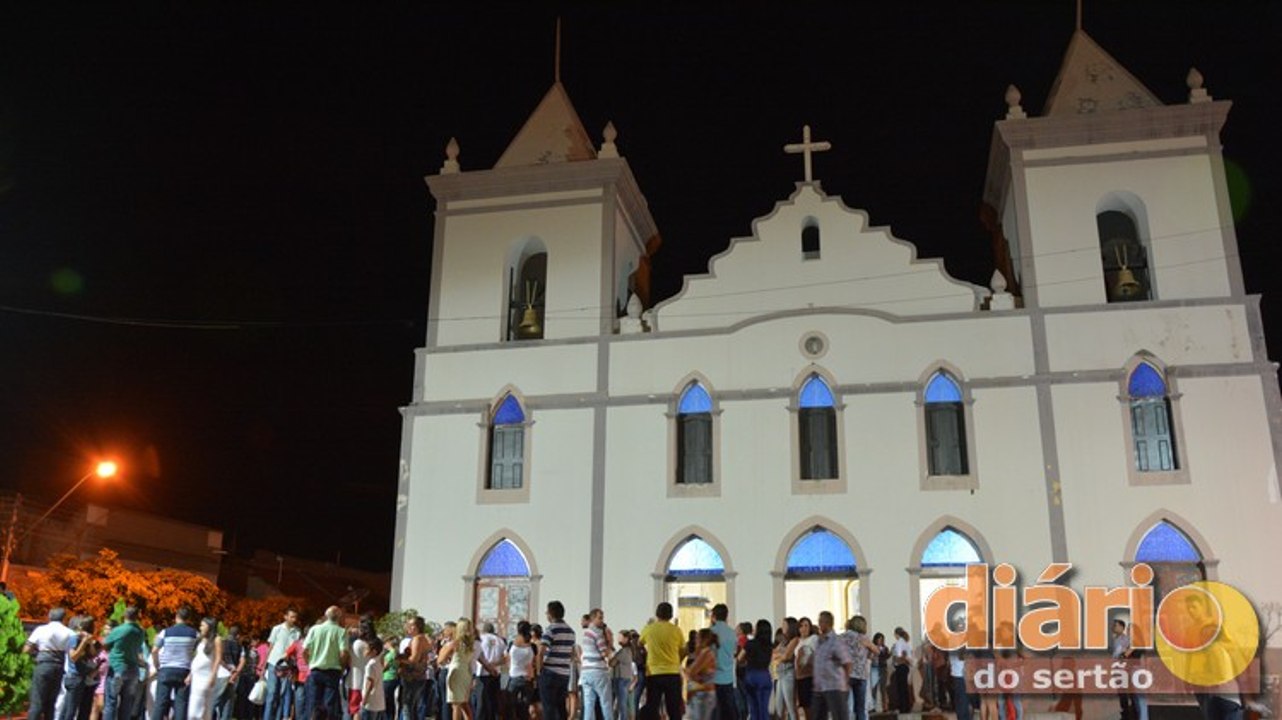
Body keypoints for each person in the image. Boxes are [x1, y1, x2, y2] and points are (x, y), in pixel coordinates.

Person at [26, 607, 80, 720]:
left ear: (50, 616)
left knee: (37, 701)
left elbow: (27, 648)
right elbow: (71, 651)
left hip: (43, 664)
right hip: (59, 666)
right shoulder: (69, 632)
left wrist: (33, 654)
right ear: (64, 618)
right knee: (51, 702)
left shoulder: (41, 629)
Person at [638, 603, 685, 720]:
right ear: (671, 615)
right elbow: (683, 649)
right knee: (674, 709)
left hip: (654, 673)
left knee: (652, 707)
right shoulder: (676, 630)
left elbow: (639, 643)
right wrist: (678, 661)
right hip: (672, 673)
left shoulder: (649, 629)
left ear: (657, 613)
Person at [152, 606, 200, 720]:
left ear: (176, 617)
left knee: (160, 703)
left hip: (166, 669)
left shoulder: (165, 632)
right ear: (188, 619)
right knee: (181, 704)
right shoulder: (195, 634)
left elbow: (154, 650)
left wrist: (157, 665)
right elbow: (199, 653)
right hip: (184, 670)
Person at [303, 606, 351, 720]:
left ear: (326, 616)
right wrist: (342, 667)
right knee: (329, 704)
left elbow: (305, 650)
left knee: (313, 703)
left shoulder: (314, 629)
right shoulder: (341, 631)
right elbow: (344, 653)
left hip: (316, 669)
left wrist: (309, 662)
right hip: (333, 670)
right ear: (339, 617)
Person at [102, 607, 146, 720]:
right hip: (133, 669)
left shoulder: (119, 630)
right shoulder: (140, 631)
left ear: (124, 615)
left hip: (118, 667)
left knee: (111, 701)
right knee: (127, 703)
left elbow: (105, 644)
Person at [808, 612, 851, 720]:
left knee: (839, 716)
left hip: (834, 686)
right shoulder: (819, 641)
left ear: (828, 623)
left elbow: (847, 662)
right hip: (819, 687)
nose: (819, 624)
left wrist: (845, 682)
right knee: (817, 716)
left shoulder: (836, 641)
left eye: (821, 621)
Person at [59, 616, 100, 720]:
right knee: (70, 710)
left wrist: (90, 643)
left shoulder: (85, 641)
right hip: (74, 677)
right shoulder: (74, 639)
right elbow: (73, 657)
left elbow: (93, 654)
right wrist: (83, 642)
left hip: (82, 677)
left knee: (71, 708)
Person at [538, 602, 575, 720]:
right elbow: (572, 653)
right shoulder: (570, 631)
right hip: (564, 673)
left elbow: (541, 652)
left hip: (550, 671)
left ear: (551, 614)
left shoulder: (551, 629)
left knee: (548, 707)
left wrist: (539, 671)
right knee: (561, 707)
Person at [264, 610, 302, 720]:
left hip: (288, 666)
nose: (294, 619)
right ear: (285, 617)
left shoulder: (297, 631)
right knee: (272, 693)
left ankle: (283, 717)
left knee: (285, 694)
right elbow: (270, 646)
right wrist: (264, 666)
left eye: (295, 617)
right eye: (291, 617)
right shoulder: (277, 629)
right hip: (273, 663)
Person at [187, 617, 227, 720]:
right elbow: (197, 657)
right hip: (196, 676)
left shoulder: (217, 639)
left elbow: (218, 658)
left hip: (206, 676)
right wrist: (190, 675)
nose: (200, 627)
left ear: (209, 626)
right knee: (195, 705)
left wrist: (213, 675)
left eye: (202, 625)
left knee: (201, 706)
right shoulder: (201, 639)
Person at [579, 609, 614, 720]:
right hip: (598, 672)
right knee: (606, 703)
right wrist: (610, 641)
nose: (602, 620)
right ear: (593, 618)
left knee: (589, 705)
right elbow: (605, 653)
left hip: (585, 672)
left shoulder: (586, 633)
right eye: (600, 618)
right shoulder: (597, 633)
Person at [439, 618, 476, 720]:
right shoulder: (470, 644)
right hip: (466, 672)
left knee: (455, 704)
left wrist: (446, 656)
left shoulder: (455, 643)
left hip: (456, 671)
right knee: (464, 703)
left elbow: (440, 660)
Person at [842, 617, 876, 720]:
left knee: (846, 707)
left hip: (846, 674)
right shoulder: (864, 638)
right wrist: (869, 655)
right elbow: (876, 650)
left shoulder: (842, 637)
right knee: (860, 708)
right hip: (861, 675)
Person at [737, 620, 772, 720]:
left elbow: (739, 658)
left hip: (752, 676)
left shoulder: (750, 643)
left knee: (754, 708)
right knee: (764, 708)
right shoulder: (769, 645)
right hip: (765, 676)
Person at [707, 605, 737, 720]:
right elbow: (734, 652)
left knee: (714, 711)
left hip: (713, 678)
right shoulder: (732, 633)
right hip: (728, 677)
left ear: (713, 616)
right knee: (728, 710)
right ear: (726, 616)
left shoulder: (710, 632)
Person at [400, 617, 431, 720]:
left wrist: (400, 660)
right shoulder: (424, 639)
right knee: (414, 706)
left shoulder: (417, 639)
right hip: (420, 675)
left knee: (407, 706)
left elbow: (414, 659)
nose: (408, 627)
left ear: (416, 627)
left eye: (410, 625)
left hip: (412, 676)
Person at [684, 629, 718, 720]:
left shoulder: (706, 653)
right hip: (702, 692)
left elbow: (691, 671)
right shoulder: (706, 652)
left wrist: (684, 672)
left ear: (704, 640)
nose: (695, 641)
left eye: (697, 638)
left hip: (703, 693)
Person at [505, 621, 536, 720]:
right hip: (527, 678)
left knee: (510, 706)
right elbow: (534, 663)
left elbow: (507, 659)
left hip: (514, 676)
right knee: (525, 707)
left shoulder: (512, 644)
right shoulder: (532, 646)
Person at [473, 623, 504, 720]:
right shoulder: (500, 641)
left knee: (481, 703)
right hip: (496, 673)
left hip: (482, 673)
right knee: (493, 701)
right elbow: (505, 657)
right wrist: (494, 665)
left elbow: (479, 656)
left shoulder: (481, 639)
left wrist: (488, 666)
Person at [772, 618, 799, 720]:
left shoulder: (794, 639)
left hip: (788, 674)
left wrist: (779, 656)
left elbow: (787, 656)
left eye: (785, 625)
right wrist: (780, 655)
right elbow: (774, 653)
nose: (782, 627)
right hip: (780, 674)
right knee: (779, 706)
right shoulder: (784, 641)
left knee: (790, 706)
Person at [608, 628, 635, 720]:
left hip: (621, 678)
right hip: (623, 678)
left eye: (620, 637)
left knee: (621, 703)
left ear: (626, 639)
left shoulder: (624, 651)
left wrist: (610, 657)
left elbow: (612, 663)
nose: (618, 639)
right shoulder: (627, 651)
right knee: (621, 702)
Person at [795, 618, 816, 720]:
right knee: (804, 706)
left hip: (810, 676)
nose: (803, 628)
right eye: (801, 626)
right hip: (800, 677)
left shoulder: (813, 639)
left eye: (806, 625)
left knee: (810, 705)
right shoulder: (798, 641)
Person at [362, 637, 387, 720]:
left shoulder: (370, 665)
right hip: (379, 701)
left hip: (371, 702)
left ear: (374, 651)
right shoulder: (379, 662)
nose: (364, 651)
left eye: (366, 649)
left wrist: (364, 700)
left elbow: (370, 684)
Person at [890, 628, 912, 714]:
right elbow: (908, 656)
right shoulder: (906, 643)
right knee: (905, 687)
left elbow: (899, 656)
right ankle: (906, 707)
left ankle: (902, 707)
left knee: (901, 688)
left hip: (900, 667)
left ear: (896, 634)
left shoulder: (899, 643)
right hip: (905, 667)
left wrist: (895, 657)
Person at [868, 634, 888, 713]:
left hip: (882, 668)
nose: (880, 641)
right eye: (878, 639)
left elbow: (885, 656)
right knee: (874, 688)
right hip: (874, 668)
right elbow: (870, 656)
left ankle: (885, 706)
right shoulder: (872, 647)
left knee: (883, 688)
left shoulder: (885, 648)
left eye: (881, 639)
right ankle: (873, 706)